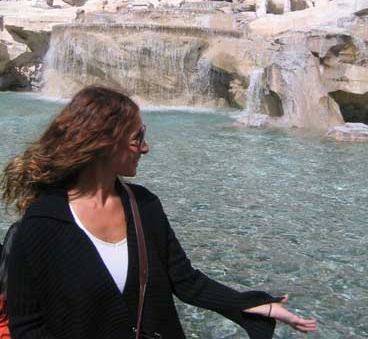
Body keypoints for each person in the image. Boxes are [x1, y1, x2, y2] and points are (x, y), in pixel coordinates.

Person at [1, 86, 317, 338]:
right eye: (137, 138)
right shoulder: (38, 227)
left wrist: (255, 305)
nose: (146, 148)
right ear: (102, 143)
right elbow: (27, 326)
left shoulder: (144, 205)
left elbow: (186, 281)